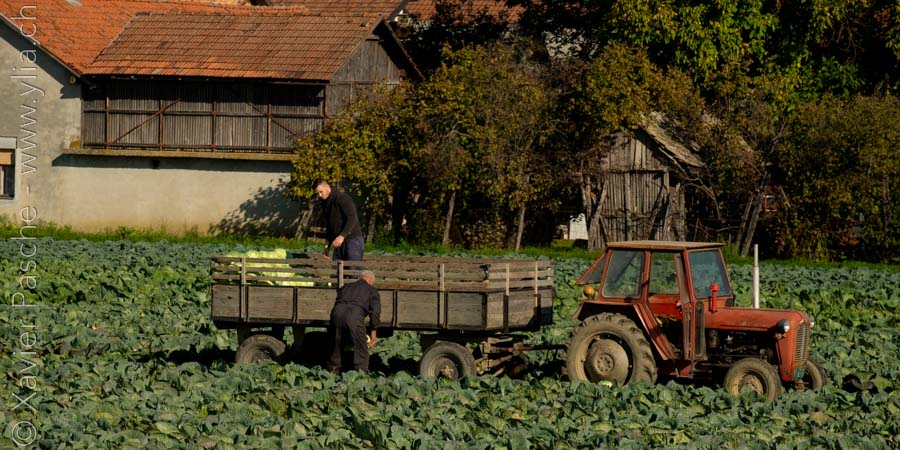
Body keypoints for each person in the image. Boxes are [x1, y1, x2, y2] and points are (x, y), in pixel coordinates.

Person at [325, 270, 381, 373]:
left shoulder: (346, 287)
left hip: (336, 313)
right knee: (361, 347)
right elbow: (375, 313)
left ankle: (332, 370)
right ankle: (360, 374)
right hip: (353, 316)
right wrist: (373, 334)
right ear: (370, 280)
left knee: (336, 343)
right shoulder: (371, 290)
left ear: (360, 278)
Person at [313, 180, 364, 262]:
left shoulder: (342, 198)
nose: (319, 195)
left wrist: (342, 236)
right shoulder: (325, 204)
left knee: (353, 269)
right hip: (337, 243)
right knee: (337, 269)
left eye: (321, 192)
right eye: (317, 193)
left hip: (352, 241)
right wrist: (327, 246)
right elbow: (330, 227)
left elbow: (352, 218)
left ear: (327, 187)